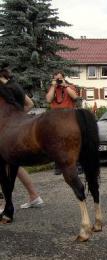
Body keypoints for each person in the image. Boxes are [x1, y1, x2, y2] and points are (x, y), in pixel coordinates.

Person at [0, 68, 44, 208]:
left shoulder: (4, 90)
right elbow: (30, 104)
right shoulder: (15, 86)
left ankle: (2, 204)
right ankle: (34, 195)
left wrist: (10, 120)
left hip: (4, 131)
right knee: (14, 166)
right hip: (14, 130)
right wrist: (18, 118)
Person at [45, 70, 79, 175]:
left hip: (69, 117)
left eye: (60, 78)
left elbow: (75, 97)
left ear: (64, 78)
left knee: (72, 142)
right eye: (56, 79)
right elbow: (48, 99)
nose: (58, 81)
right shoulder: (52, 88)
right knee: (56, 143)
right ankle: (58, 165)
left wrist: (65, 85)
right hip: (56, 118)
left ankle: (77, 164)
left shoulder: (70, 86)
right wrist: (53, 86)